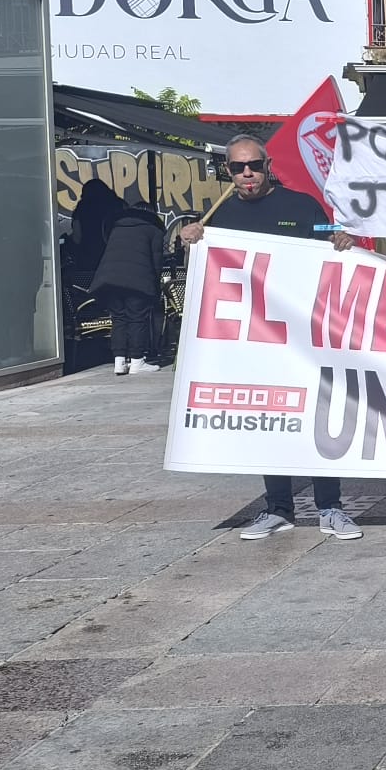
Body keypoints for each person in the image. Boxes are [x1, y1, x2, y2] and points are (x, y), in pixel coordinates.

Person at [178, 134, 363, 542]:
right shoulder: (217, 219)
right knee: (270, 421)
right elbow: (199, 270)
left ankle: (330, 507)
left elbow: (330, 235)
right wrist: (189, 240)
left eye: (254, 165)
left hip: (305, 336)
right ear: (226, 171)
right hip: (254, 342)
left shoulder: (300, 206)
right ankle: (277, 508)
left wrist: (340, 239)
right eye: (237, 167)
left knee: (317, 419)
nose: (246, 173)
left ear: (268, 165)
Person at [90, 196, 163, 375]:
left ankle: (119, 361)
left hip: (109, 279)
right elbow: (157, 261)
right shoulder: (153, 229)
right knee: (137, 317)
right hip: (137, 280)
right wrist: (155, 285)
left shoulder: (117, 226)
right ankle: (137, 361)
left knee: (119, 318)